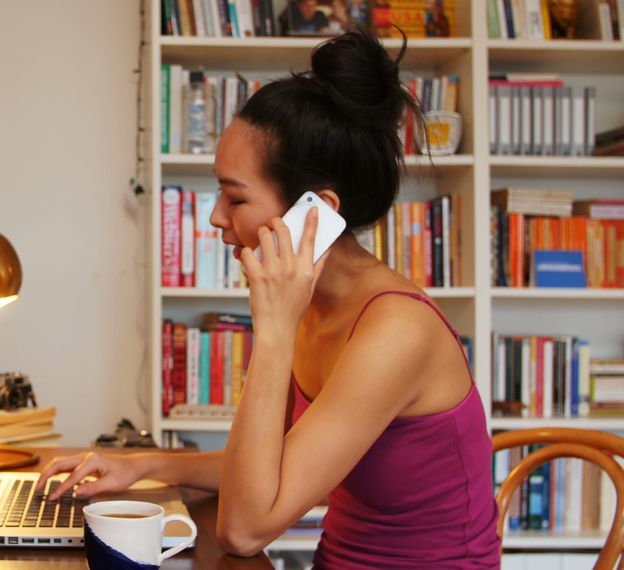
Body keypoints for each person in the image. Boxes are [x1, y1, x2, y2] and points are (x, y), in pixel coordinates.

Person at [39, 29, 502, 567]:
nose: (216, 217)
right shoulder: (309, 303)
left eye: (235, 197)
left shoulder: (396, 331)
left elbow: (243, 529)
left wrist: (274, 327)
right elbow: (262, 474)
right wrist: (142, 464)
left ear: (316, 214)